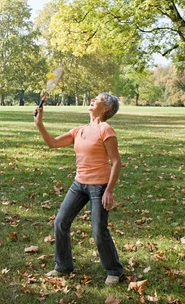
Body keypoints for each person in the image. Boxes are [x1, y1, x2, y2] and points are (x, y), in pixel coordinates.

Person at [34, 92, 123, 285]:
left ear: (106, 108)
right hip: (79, 184)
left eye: (98, 99)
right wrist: (39, 123)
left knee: (99, 230)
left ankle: (114, 270)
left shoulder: (106, 130)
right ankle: (63, 266)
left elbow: (116, 162)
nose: (92, 100)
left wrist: (109, 190)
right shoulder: (79, 130)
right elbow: (53, 143)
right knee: (60, 222)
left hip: (99, 186)